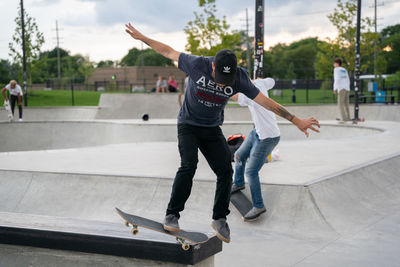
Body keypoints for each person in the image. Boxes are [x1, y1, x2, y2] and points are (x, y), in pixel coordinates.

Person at [125, 22, 320, 243]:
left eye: (226, 83)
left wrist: (296, 121)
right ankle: (172, 214)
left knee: (225, 170)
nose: (221, 86)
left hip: (211, 128)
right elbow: (168, 51)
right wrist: (143, 38)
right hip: (188, 125)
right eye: (219, 80)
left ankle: (219, 219)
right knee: (189, 165)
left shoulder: (240, 78)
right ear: (213, 67)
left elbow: (265, 101)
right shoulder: (197, 64)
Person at [230, 77, 280, 221]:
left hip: (268, 137)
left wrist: (222, 87)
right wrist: (259, 79)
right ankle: (238, 183)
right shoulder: (261, 83)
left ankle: (258, 205)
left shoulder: (250, 95)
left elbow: (233, 95)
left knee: (251, 171)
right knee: (239, 156)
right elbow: (272, 81)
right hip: (257, 132)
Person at [333, 58, 350, 123]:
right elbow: (348, 79)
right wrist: (348, 88)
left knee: (340, 104)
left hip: (341, 88)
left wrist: (335, 88)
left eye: (334, 63)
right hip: (347, 88)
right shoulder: (344, 69)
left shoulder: (336, 70)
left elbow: (337, 79)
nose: (333, 65)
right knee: (346, 104)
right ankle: (348, 117)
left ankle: (344, 118)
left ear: (337, 64)